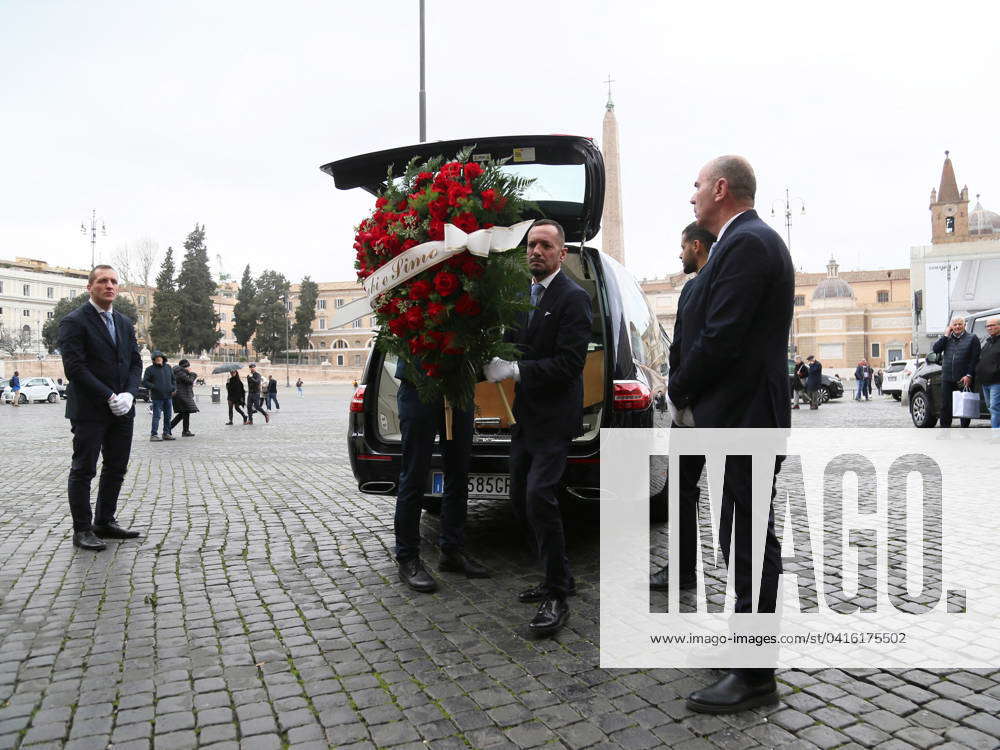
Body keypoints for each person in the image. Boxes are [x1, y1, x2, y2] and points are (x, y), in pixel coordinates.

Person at [666, 156, 793, 713]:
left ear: (721, 189)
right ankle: (747, 649)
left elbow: (721, 338)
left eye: (697, 186)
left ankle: (756, 676)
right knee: (742, 534)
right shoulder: (742, 243)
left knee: (751, 538)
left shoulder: (747, 243)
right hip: (740, 418)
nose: (691, 197)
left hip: (748, 419)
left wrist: (680, 392)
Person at [486, 218, 592, 637]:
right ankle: (557, 576)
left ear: (561, 254)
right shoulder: (523, 296)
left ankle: (557, 596)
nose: (536, 251)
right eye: (531, 245)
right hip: (525, 418)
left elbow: (570, 364)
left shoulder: (574, 298)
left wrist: (515, 369)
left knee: (539, 497)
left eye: (546, 245)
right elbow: (512, 343)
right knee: (519, 499)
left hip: (554, 420)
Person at [650, 221, 716, 592]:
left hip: (697, 407)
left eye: (682, 248)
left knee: (686, 491)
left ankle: (684, 570)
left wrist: (679, 393)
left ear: (696, 245)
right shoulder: (699, 287)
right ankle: (682, 569)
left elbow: (697, 348)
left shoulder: (702, 287)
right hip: (694, 406)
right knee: (682, 490)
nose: (679, 255)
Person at [57, 264, 142, 551]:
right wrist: (109, 395)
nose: (110, 286)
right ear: (90, 287)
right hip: (90, 409)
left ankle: (104, 521)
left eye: (114, 281)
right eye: (103, 281)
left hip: (123, 409)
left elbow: (134, 363)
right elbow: (75, 368)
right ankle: (82, 529)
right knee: (84, 469)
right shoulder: (74, 321)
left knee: (116, 467)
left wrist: (130, 394)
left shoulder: (125, 323)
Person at [932, 316, 981, 428]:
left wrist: (969, 375)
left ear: (964, 325)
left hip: (964, 377)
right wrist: (945, 335)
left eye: (960, 324)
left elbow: (975, 359)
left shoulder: (972, 338)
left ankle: (964, 429)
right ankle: (945, 430)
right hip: (947, 377)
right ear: (951, 327)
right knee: (945, 405)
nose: (957, 326)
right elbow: (935, 349)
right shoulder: (947, 339)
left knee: (964, 404)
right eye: (955, 324)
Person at [141, 350, 176, 441]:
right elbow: (144, 382)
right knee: (156, 416)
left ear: (163, 359)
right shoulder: (149, 369)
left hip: (168, 396)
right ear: (153, 360)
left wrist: (173, 388)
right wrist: (154, 387)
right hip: (157, 397)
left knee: (168, 416)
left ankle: (166, 433)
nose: (158, 360)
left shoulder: (168, 367)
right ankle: (154, 435)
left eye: (159, 358)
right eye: (156, 359)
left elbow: (173, 380)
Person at [974, 316, 1000, 430]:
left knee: (995, 408)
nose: (989, 328)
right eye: (987, 326)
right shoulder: (988, 342)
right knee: (991, 407)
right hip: (985, 382)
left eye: (992, 325)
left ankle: (996, 435)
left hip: (997, 381)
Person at [169, 359, 199, 436]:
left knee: (185, 413)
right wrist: (193, 374)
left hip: (182, 395)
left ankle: (185, 431)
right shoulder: (179, 372)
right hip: (181, 396)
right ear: (185, 366)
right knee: (183, 413)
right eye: (188, 366)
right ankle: (168, 428)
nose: (189, 368)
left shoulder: (179, 372)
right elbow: (189, 381)